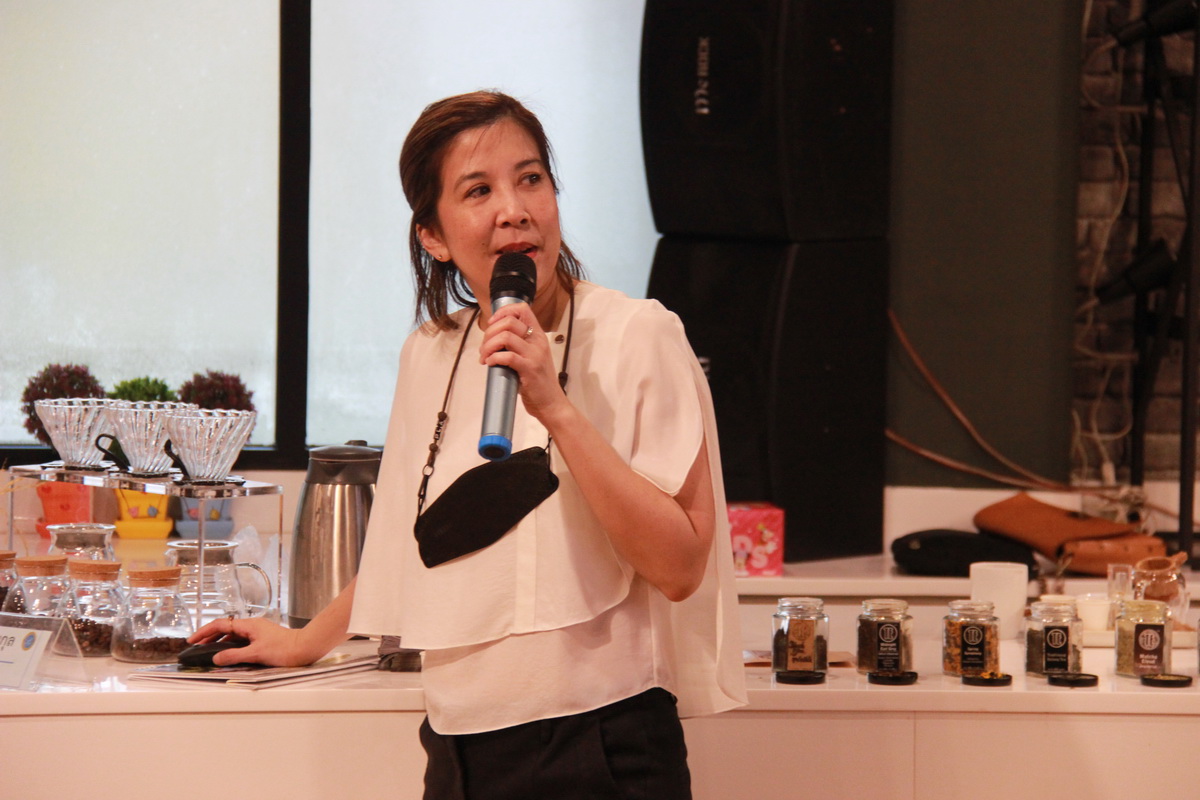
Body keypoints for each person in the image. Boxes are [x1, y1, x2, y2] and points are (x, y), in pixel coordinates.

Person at [190, 90, 746, 799]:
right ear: (434, 236)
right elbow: (408, 543)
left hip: (602, 744)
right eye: (478, 190)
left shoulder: (640, 334)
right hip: (457, 750)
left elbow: (680, 566)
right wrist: (303, 641)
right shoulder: (429, 351)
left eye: (531, 178)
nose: (514, 209)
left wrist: (558, 410)